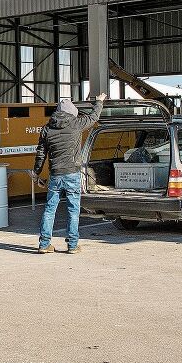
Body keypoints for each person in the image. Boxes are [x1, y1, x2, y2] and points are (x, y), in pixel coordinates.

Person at [32, 93, 106, 254]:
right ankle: (72, 245)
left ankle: (44, 244)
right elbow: (93, 117)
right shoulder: (76, 123)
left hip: (55, 174)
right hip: (72, 173)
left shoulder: (46, 128)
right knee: (73, 209)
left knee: (50, 209)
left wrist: (36, 174)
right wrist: (99, 101)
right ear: (72, 112)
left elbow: (40, 154)